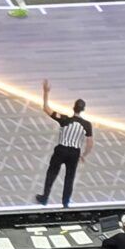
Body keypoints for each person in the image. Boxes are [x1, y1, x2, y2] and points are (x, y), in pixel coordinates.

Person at [35, 80, 93, 208]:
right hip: (74, 153)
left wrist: (46, 92)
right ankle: (65, 203)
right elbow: (90, 143)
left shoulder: (65, 119)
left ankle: (45, 197)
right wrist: (84, 155)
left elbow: (46, 109)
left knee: (52, 173)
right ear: (83, 110)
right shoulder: (87, 125)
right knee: (69, 177)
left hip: (61, 150)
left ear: (73, 108)